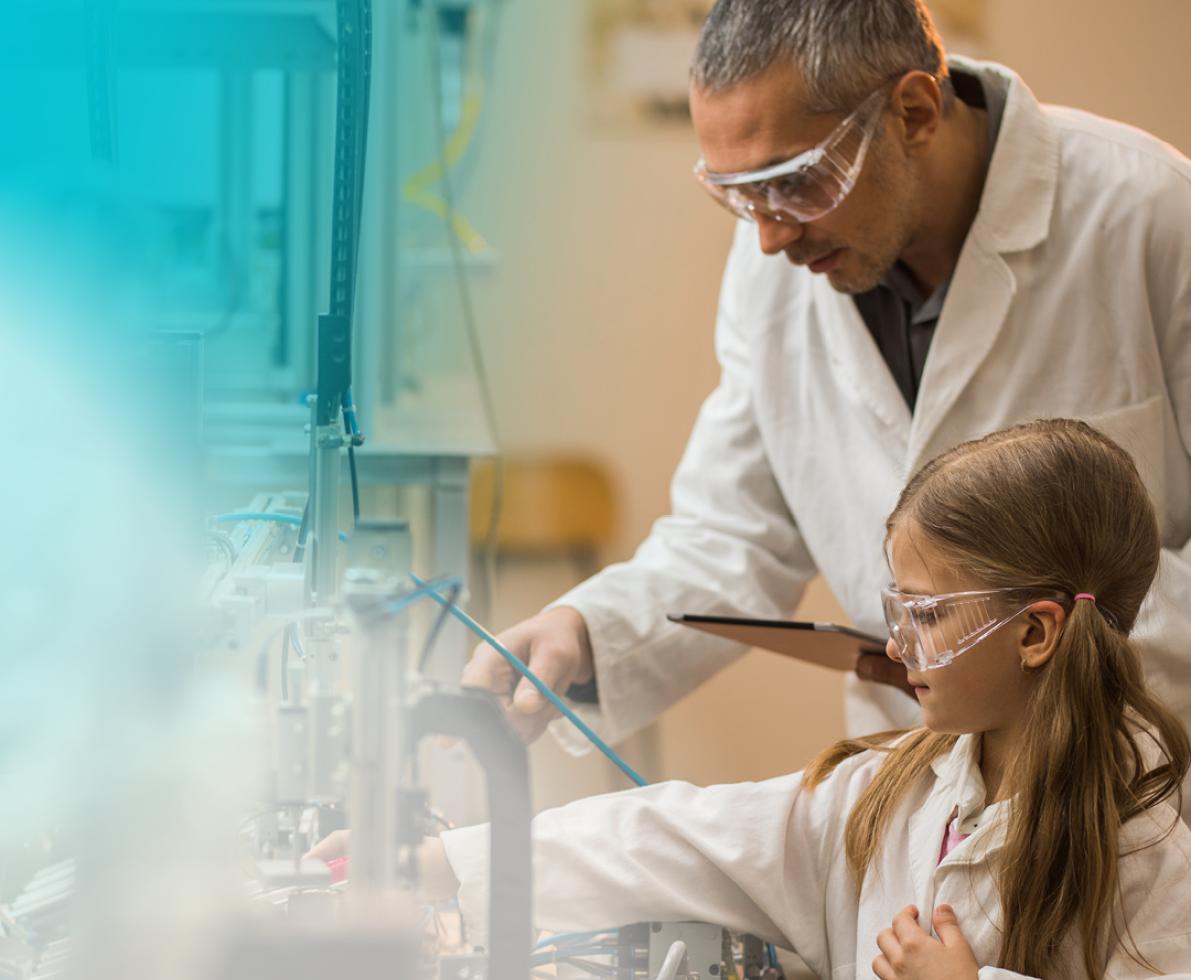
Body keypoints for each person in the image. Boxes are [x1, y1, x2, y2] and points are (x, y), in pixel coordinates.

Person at [460, 0, 1191, 808]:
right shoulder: (772, 262)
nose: (770, 237)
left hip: (1137, 789)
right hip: (916, 793)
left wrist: (1022, 652)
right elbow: (732, 535)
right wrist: (583, 634)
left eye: (796, 180)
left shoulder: (1150, 216)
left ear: (912, 111)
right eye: (738, 194)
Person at [425, 420, 1191, 979]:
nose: (895, 648)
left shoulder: (1144, 846)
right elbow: (677, 834)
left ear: (1033, 634)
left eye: (924, 616)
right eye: (896, 613)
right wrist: (439, 865)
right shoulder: (888, 795)